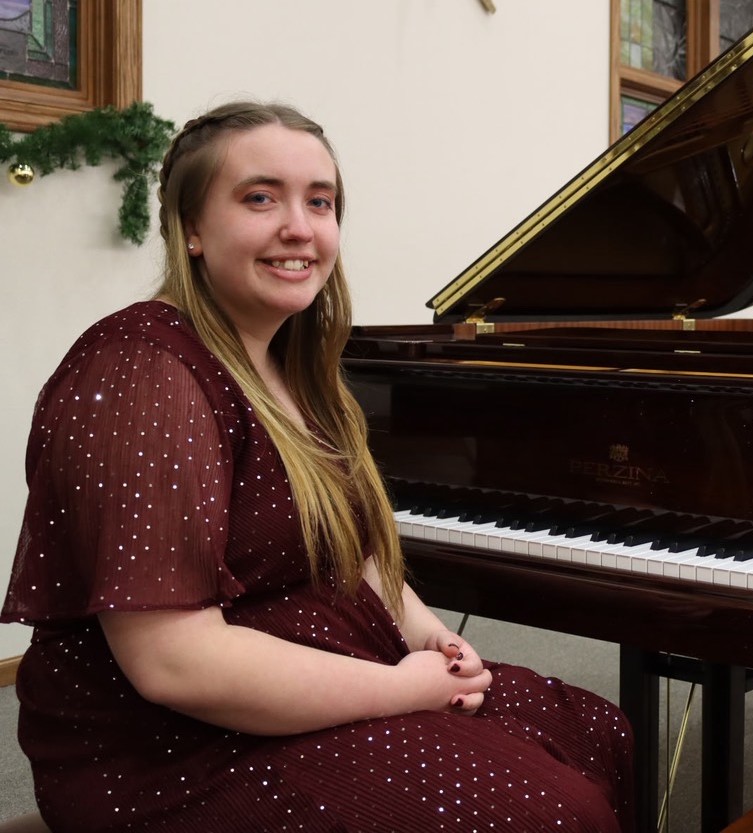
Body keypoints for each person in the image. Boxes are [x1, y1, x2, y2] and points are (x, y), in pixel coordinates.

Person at [1, 100, 635, 833]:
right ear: (193, 229)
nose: (299, 227)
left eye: (321, 201)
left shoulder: (291, 367)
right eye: (260, 197)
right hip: (172, 748)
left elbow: (351, 551)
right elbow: (173, 663)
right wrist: (401, 689)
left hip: (319, 668)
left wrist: (429, 638)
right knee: (549, 813)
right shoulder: (145, 368)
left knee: (591, 726)